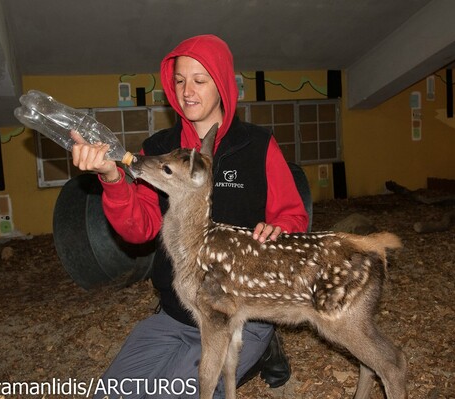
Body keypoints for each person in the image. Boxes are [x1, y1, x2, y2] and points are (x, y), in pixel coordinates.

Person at [71, 34, 309, 399]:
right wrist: (111, 177)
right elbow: (140, 229)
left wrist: (282, 227)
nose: (187, 91)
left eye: (200, 80)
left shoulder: (257, 146)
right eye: (179, 80)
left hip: (239, 315)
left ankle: (263, 346)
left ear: (223, 84)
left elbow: (293, 215)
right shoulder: (159, 150)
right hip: (176, 314)